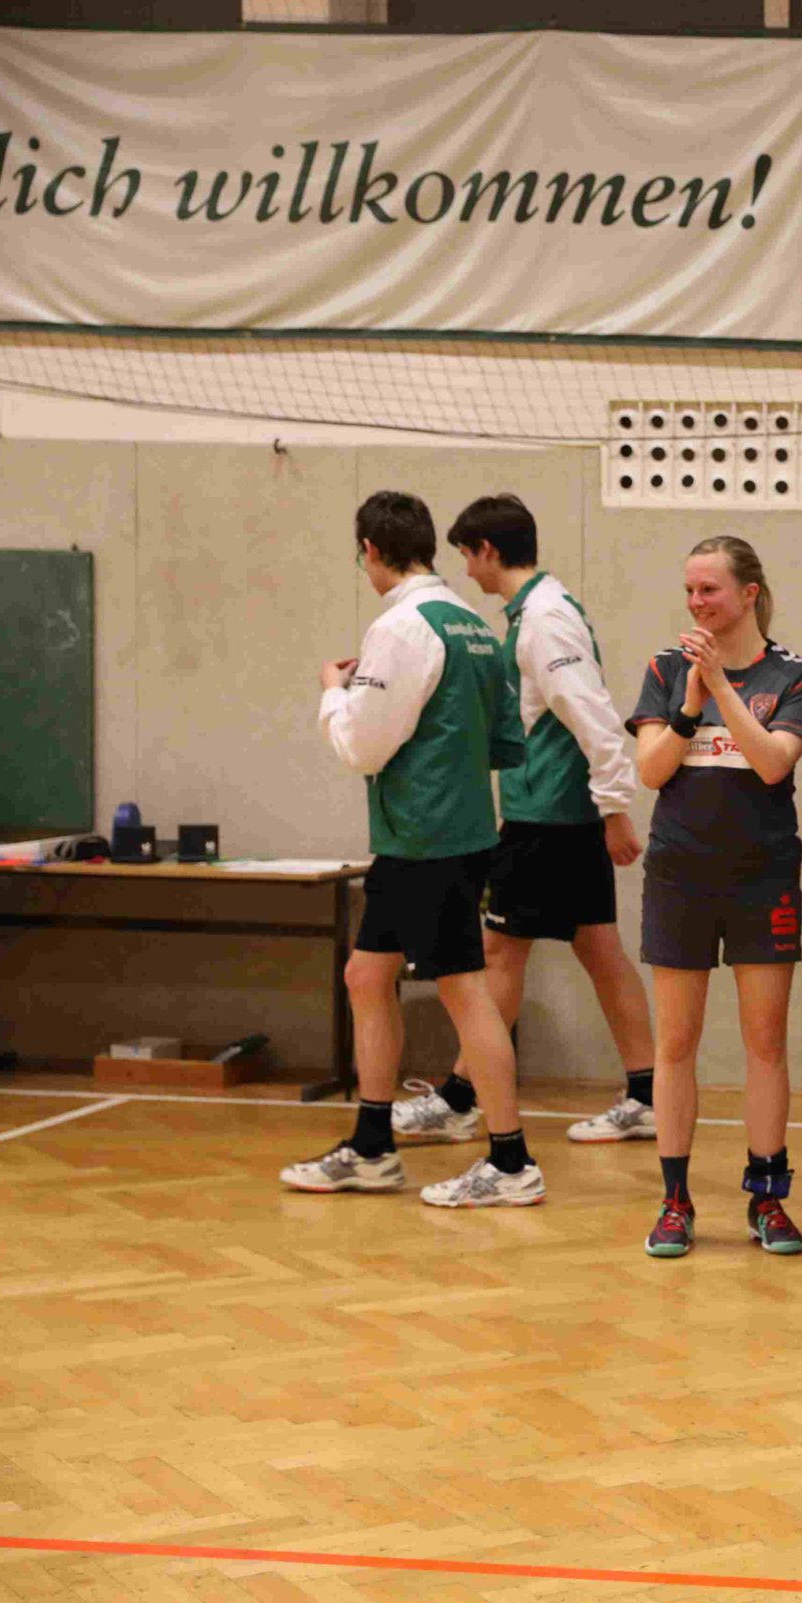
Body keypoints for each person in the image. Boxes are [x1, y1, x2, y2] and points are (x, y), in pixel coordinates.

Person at [285, 491, 533, 1207]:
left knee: (463, 989)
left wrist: (333, 692)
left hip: (429, 837)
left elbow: (361, 748)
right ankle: (372, 1148)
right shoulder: (474, 625)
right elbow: (506, 741)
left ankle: (512, 1163)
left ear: (370, 549)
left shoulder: (401, 626)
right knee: (367, 975)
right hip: (438, 833)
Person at [390, 494, 658, 1149]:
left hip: (547, 818)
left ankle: (460, 1099)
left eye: (466, 555)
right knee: (600, 950)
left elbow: (594, 716)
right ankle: (649, 1094)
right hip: (561, 813)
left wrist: (615, 808)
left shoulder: (545, 620)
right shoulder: (537, 613)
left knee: (498, 953)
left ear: (487, 550)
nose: (465, 570)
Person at [626, 536, 802, 1259]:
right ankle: (675, 1200)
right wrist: (688, 704)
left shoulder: (797, 675)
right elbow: (651, 771)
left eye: (709, 589)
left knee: (764, 1042)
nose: (697, 602)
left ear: (748, 593)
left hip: (762, 877)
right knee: (675, 1042)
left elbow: (771, 763)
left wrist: (721, 687)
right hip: (679, 875)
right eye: (690, 590)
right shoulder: (664, 669)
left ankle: (767, 1197)